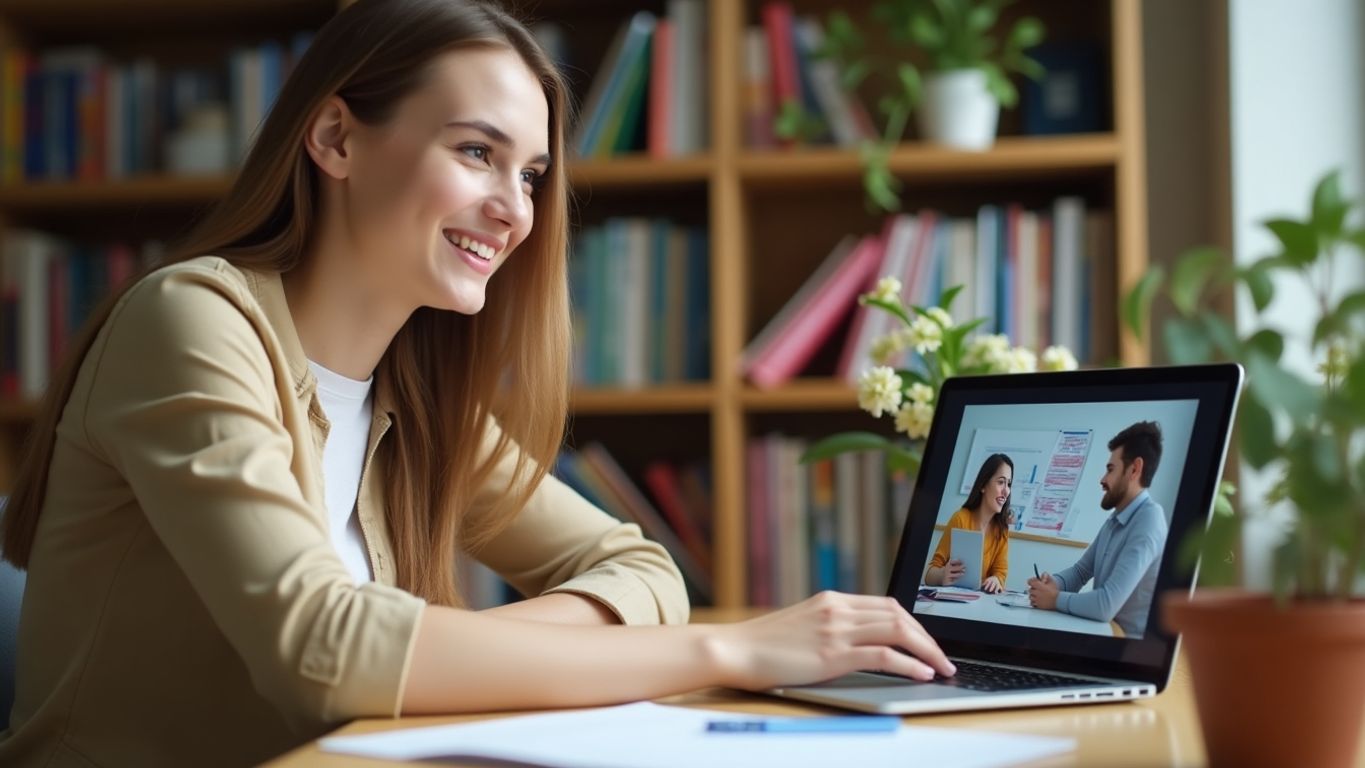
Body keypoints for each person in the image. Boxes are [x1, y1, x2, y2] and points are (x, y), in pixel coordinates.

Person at [0, 1, 955, 765]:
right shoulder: (193, 321)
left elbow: (639, 566)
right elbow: (323, 653)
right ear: (334, 138)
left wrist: (418, 647)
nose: (514, 209)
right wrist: (731, 649)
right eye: (475, 152)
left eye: (533, 174)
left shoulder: (407, 399)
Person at [1027, 421, 1167, 638]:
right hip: (1103, 634)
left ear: (1134, 469)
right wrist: (1054, 583)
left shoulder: (1150, 519)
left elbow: (1105, 605)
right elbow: (1081, 571)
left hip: (1127, 651)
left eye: (1110, 469)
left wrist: (1054, 599)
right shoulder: (1116, 519)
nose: (1103, 480)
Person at [924, 453, 1013, 594]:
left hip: (980, 606)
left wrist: (997, 580)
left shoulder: (1002, 529)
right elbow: (929, 575)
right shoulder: (961, 519)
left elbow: (1001, 573)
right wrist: (942, 575)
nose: (1006, 491)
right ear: (983, 485)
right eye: (1001, 482)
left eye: (1009, 484)